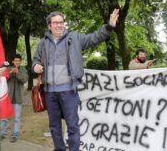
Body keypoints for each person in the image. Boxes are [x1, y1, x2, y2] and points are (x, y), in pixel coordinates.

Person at [32, 9, 119, 151]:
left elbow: (94, 38)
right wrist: (35, 65)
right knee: (54, 126)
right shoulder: (43, 43)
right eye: (55, 23)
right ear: (49, 25)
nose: (59, 25)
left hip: (69, 91)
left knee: (72, 125)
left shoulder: (74, 38)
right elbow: (35, 60)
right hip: (50, 92)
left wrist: (109, 26)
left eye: (61, 22)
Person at [0, 54, 28, 143]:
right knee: (3, 117)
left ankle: (15, 134)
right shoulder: (7, 69)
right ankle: (2, 134)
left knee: (17, 118)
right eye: (15, 60)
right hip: (7, 97)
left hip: (18, 97)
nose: (17, 62)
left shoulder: (23, 70)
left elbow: (24, 80)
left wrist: (17, 72)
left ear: (20, 61)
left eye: (19, 61)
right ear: (13, 61)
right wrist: (10, 72)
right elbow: (3, 79)